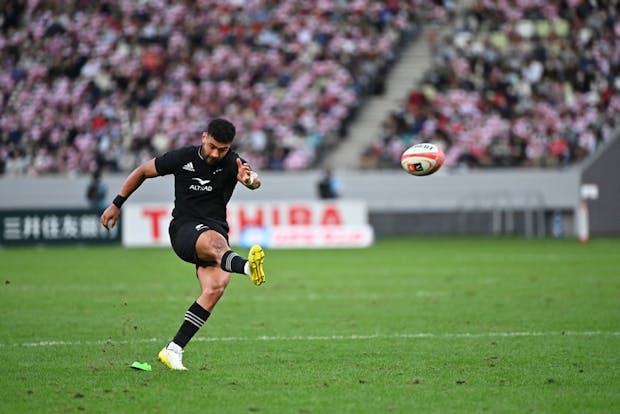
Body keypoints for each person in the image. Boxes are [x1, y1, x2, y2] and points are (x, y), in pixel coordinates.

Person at [100, 118, 266, 371]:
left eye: (223, 149)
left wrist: (250, 180)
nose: (215, 153)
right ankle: (246, 267)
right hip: (185, 230)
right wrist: (116, 203)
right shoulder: (183, 158)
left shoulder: (234, 162)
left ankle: (173, 350)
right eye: (212, 146)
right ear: (203, 137)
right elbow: (143, 171)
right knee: (215, 243)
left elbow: (253, 180)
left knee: (215, 288)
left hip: (216, 232)